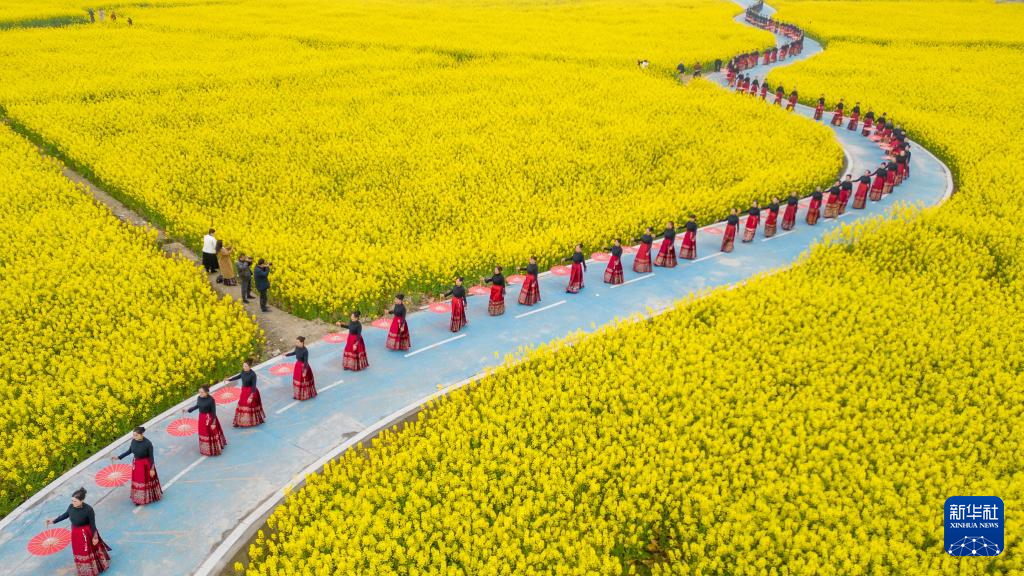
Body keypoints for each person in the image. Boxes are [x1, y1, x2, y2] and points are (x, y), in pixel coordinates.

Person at [46, 488, 111, 575]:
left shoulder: (89, 509)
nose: (73, 503)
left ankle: (93, 569)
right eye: (72, 500)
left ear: (82, 501)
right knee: (78, 551)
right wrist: (53, 521)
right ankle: (84, 569)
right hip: (76, 533)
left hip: (86, 533)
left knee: (87, 551)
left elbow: (92, 524)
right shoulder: (71, 506)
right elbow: (65, 515)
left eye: (75, 501)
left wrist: (95, 537)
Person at [113, 426, 162, 505]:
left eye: (136, 435)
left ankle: (149, 497)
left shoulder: (148, 443)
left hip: (146, 465)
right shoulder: (133, 441)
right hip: (137, 465)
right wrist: (119, 457)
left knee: (145, 481)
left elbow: (151, 457)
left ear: (142, 434)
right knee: (138, 481)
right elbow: (129, 451)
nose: (134, 437)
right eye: (133, 435)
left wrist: (152, 469)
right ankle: (138, 499)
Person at [185, 386, 226, 456]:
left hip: (209, 418)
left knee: (209, 433)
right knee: (203, 433)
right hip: (201, 418)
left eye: (202, 392)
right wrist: (188, 410)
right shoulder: (199, 398)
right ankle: (206, 449)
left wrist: (213, 423)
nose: (200, 393)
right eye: (199, 392)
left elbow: (214, 412)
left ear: (206, 392)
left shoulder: (211, 400)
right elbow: (197, 406)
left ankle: (214, 449)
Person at [229, 359, 265, 427]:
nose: (244, 367)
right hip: (244, 391)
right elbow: (239, 376)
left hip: (251, 391)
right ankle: (238, 422)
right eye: (243, 366)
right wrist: (229, 379)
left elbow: (254, 386)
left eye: (246, 366)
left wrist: (251, 396)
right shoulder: (243, 371)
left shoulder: (253, 374)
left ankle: (255, 420)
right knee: (241, 403)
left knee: (251, 406)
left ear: (249, 366)